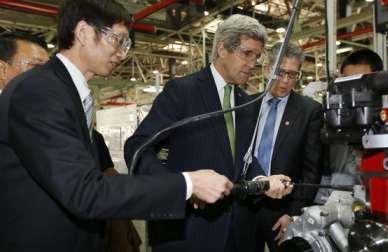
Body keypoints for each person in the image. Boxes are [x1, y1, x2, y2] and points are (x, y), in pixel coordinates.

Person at [0, 1, 233, 251]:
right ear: (84, 33)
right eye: (117, 40)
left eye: (127, 45)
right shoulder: (39, 91)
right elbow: (85, 191)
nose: (123, 54)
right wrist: (187, 184)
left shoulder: (67, 92)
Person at [124, 14, 293, 252]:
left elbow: (244, 158)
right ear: (222, 49)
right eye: (247, 53)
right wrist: (181, 186)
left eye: (257, 56)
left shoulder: (246, 102)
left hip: (237, 235)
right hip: (188, 232)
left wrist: (260, 180)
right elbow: (137, 147)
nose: (253, 63)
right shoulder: (182, 91)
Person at [253, 42, 323, 251]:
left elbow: (312, 169)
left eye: (292, 75)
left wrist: (294, 213)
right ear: (267, 70)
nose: (285, 81)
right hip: (246, 207)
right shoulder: (248, 106)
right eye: (280, 72)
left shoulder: (309, 111)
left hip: (282, 212)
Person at [314, 49, 383, 204]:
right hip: (335, 204)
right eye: (347, 82)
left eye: (359, 83)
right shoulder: (332, 119)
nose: (352, 91)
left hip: (378, 204)